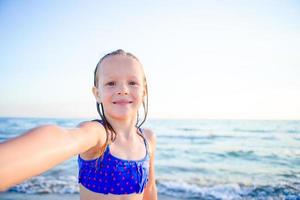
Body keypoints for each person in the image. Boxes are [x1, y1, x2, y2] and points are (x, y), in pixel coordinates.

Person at [0, 49, 158, 200]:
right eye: (111, 83)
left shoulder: (148, 138)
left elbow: (150, 189)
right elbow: (66, 138)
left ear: (144, 91)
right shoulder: (98, 135)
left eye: (132, 82)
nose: (123, 89)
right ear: (97, 94)